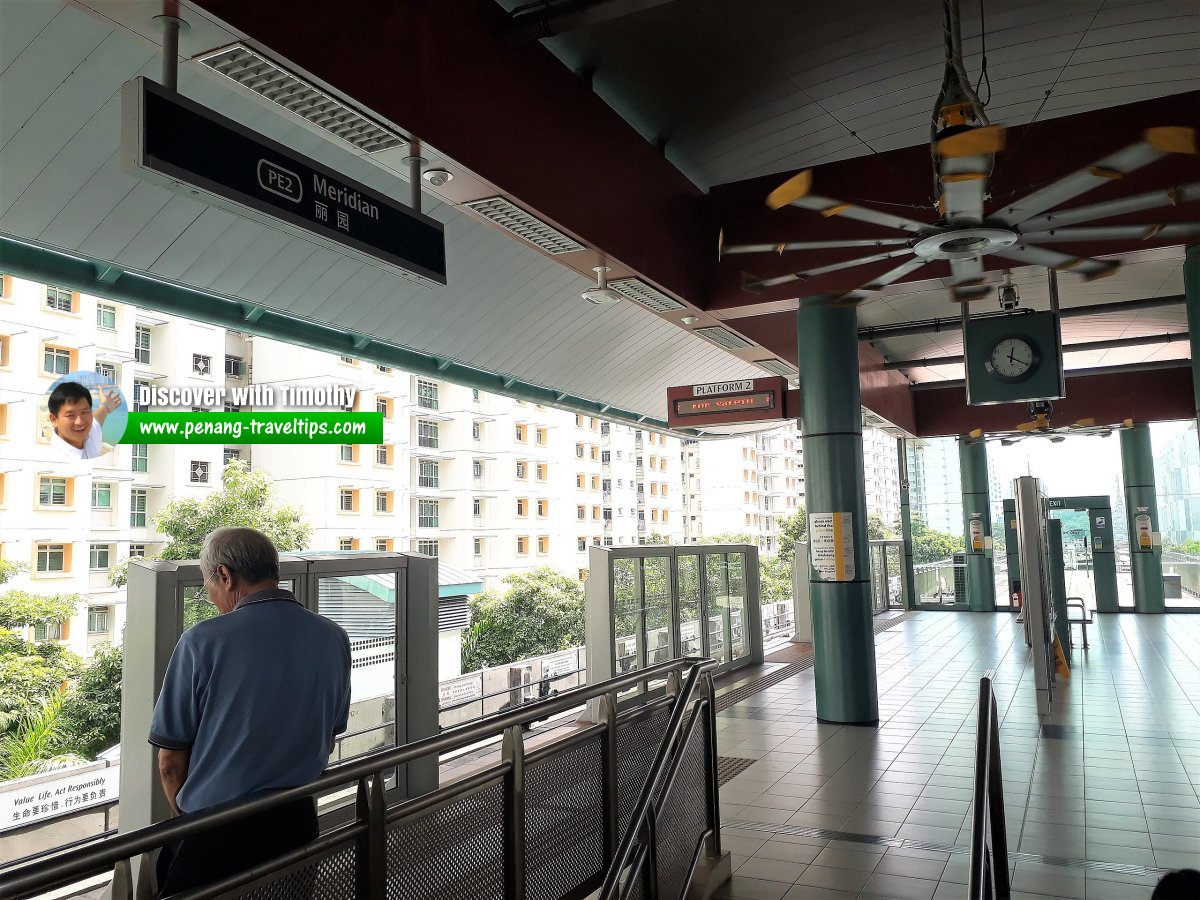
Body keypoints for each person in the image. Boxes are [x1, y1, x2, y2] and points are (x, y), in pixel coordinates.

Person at [149, 527, 352, 897]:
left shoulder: (201, 641)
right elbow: (331, 732)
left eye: (209, 584)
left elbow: (169, 762)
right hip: (296, 822)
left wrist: (186, 820)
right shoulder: (332, 636)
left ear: (225, 575)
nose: (211, 596)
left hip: (216, 830)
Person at [48, 380, 120, 460]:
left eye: (84, 412)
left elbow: (97, 420)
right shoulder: (53, 457)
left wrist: (106, 406)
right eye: (70, 415)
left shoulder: (90, 435)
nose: (80, 422)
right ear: (54, 419)